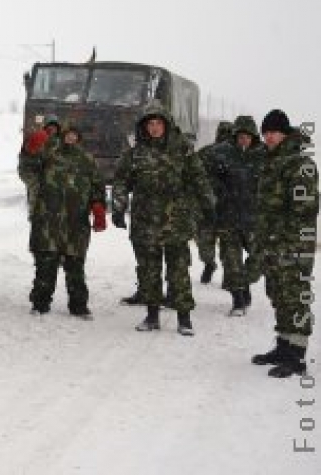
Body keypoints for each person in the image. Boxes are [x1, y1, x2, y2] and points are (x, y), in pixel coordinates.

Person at [112, 102, 215, 335]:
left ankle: (184, 318)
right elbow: (121, 181)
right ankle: (151, 316)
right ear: (144, 126)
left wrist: (209, 205)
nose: (155, 128)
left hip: (176, 222)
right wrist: (118, 207)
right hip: (144, 222)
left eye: (159, 123)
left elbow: (199, 178)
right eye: (150, 124)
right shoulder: (135, 153)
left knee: (178, 270)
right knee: (149, 270)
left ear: (166, 125)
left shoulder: (182, 149)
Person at [251, 109, 318, 378]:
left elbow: (306, 207)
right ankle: (283, 346)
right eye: (265, 133)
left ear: (285, 132)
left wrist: (282, 236)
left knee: (295, 297)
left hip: (293, 243)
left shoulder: (300, 163)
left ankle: (297, 356)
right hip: (273, 242)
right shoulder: (271, 162)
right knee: (279, 294)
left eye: (273, 132)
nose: (268, 137)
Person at [24, 122, 106, 318]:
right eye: (68, 134)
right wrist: (30, 148)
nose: (71, 138)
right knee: (46, 264)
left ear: (79, 138)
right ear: (62, 136)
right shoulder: (48, 156)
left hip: (76, 222)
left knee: (75, 266)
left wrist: (98, 206)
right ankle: (40, 303)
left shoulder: (87, 160)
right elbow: (28, 167)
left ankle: (79, 306)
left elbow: (97, 186)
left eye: (74, 135)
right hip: (48, 221)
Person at [208, 115, 262, 316]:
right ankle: (238, 300)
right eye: (240, 136)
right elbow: (204, 178)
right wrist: (218, 183)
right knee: (231, 261)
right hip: (227, 217)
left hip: (255, 219)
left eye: (248, 136)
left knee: (260, 258)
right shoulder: (219, 153)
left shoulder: (264, 155)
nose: (244, 140)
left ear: (254, 137)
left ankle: (245, 282)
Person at [196, 120, 233, 284]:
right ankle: (209, 264)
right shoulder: (205, 153)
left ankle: (228, 275)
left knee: (228, 247)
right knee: (205, 243)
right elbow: (194, 174)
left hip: (228, 208)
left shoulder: (239, 156)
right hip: (207, 206)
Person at [18, 114, 61, 216]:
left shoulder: (58, 141)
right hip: (30, 171)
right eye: (50, 127)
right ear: (45, 127)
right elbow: (30, 154)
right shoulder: (39, 136)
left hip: (46, 172)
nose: (52, 129)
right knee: (36, 187)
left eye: (54, 127)